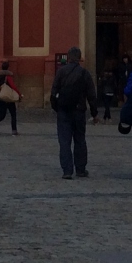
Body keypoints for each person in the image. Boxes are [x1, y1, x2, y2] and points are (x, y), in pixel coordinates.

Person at [50, 46, 98, 179]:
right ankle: (81, 169)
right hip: (79, 111)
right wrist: (94, 113)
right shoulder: (85, 73)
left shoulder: (61, 72)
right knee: (80, 140)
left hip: (64, 111)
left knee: (64, 141)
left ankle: (67, 171)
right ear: (80, 58)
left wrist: (57, 108)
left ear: (68, 57)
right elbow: (91, 95)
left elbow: (53, 92)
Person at [0, 61, 21, 135]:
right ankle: (14, 130)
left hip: (0, 97)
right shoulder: (8, 76)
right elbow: (13, 86)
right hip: (8, 97)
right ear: (8, 67)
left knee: (2, 115)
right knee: (13, 114)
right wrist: (19, 94)